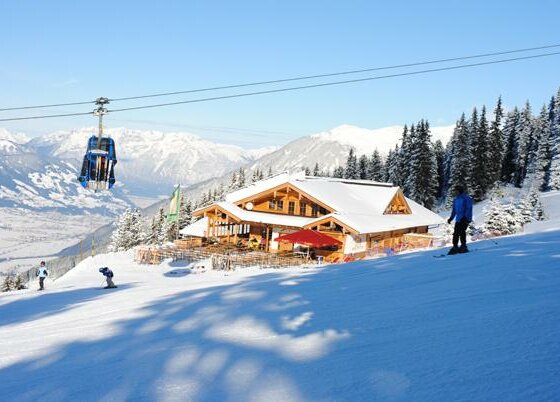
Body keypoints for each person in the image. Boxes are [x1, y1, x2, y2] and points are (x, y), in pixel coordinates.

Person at [447, 185, 473, 255]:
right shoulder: (456, 200)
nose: (455, 192)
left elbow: (469, 209)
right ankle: (455, 247)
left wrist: (466, 218)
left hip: (464, 219)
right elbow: (454, 210)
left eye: (456, 191)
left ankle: (463, 246)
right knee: (456, 233)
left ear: (459, 191)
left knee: (462, 232)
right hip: (458, 219)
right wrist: (451, 218)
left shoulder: (466, 198)